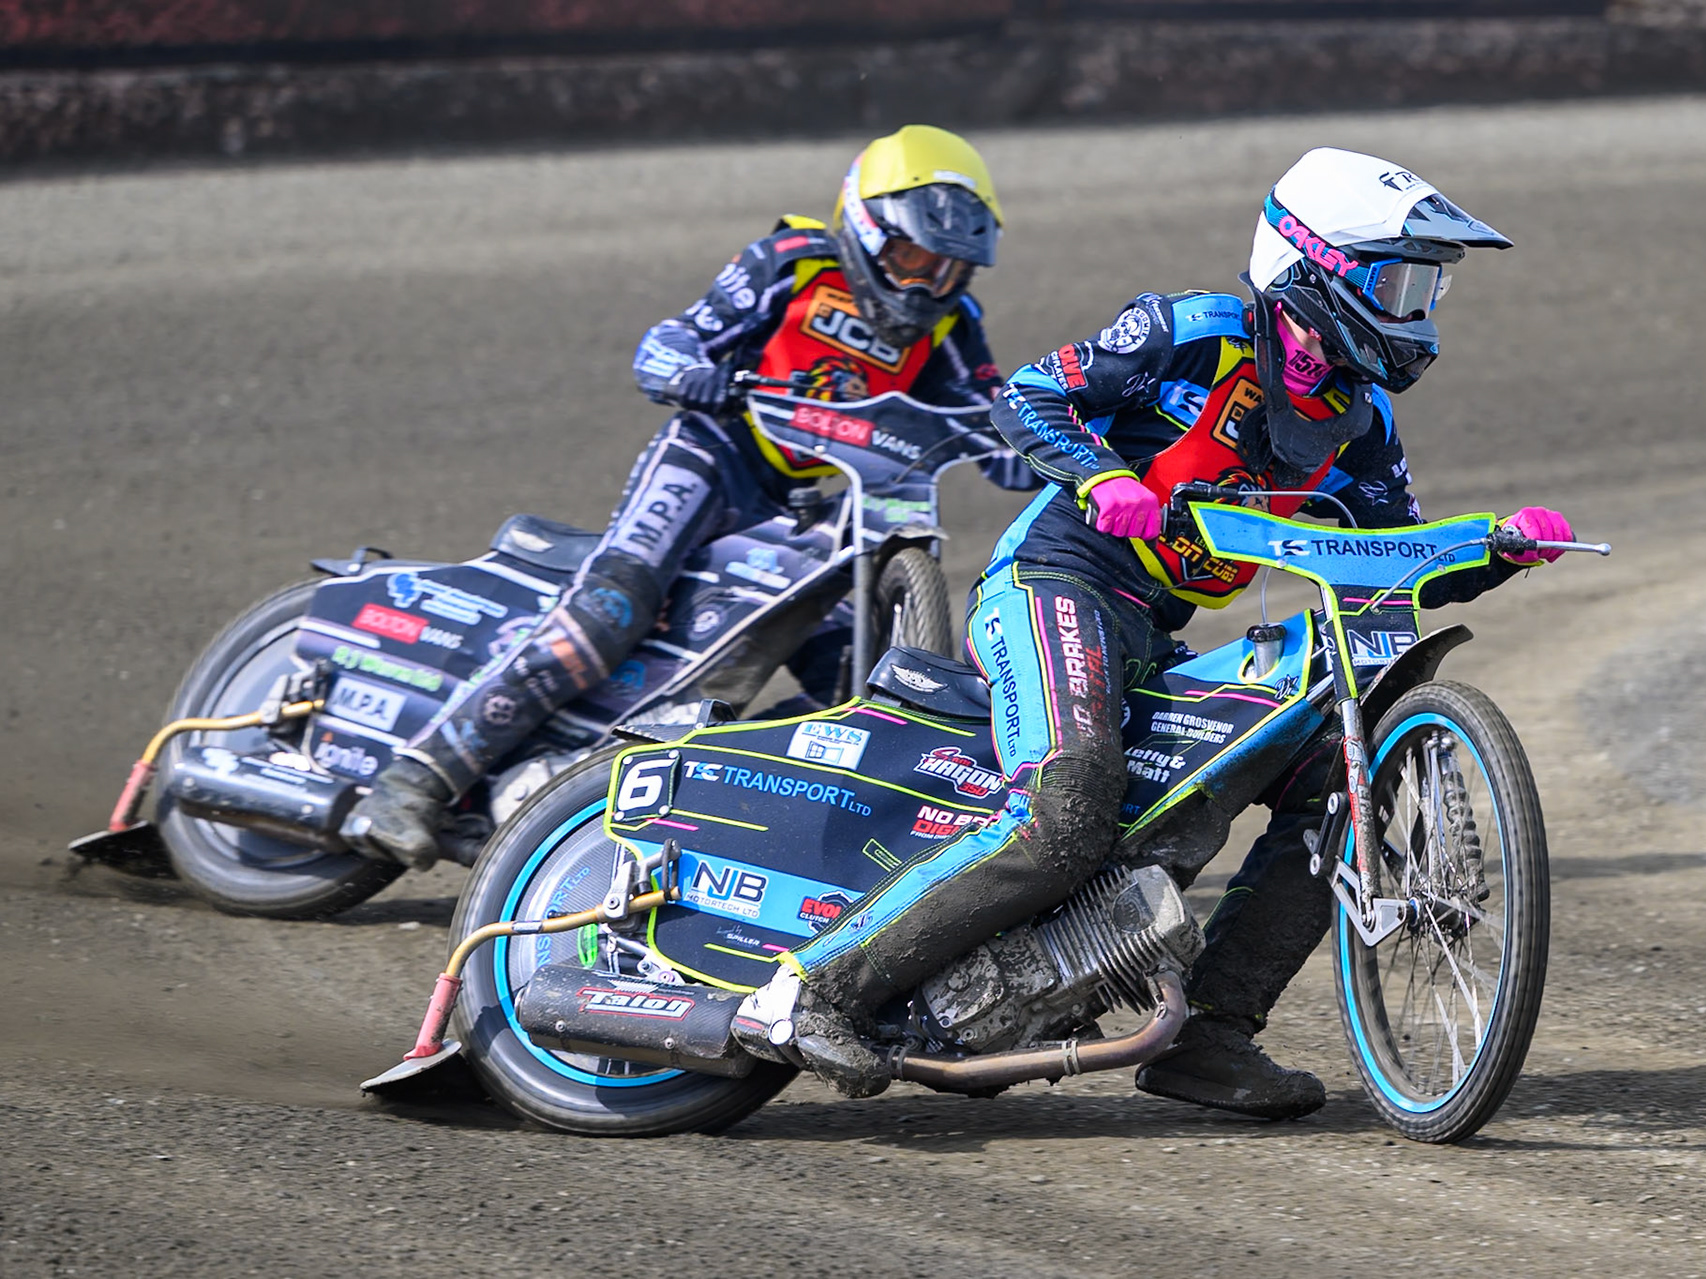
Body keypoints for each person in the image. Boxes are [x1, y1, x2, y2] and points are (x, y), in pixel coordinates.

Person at [732, 147, 1576, 1113]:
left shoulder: (1362, 417)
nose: (1418, 307)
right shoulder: (1194, 332)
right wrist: (1104, 477)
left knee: (1339, 786)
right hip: (1057, 580)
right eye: (1400, 279)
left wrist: (1499, 549)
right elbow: (1031, 394)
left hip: (1152, 632)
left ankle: (1209, 1037)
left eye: (1429, 286)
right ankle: (807, 989)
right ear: (1318, 267)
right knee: (1068, 807)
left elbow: (1395, 556)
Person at [347, 125, 1030, 870]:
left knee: (855, 686)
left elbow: (994, 420)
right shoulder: (793, 264)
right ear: (867, 230)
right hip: (711, 460)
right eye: (912, 258)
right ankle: (412, 780)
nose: (929, 284)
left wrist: (1049, 454)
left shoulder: (954, 328)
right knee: (605, 615)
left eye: (950, 268)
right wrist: (694, 374)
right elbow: (667, 344)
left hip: (808, 507)